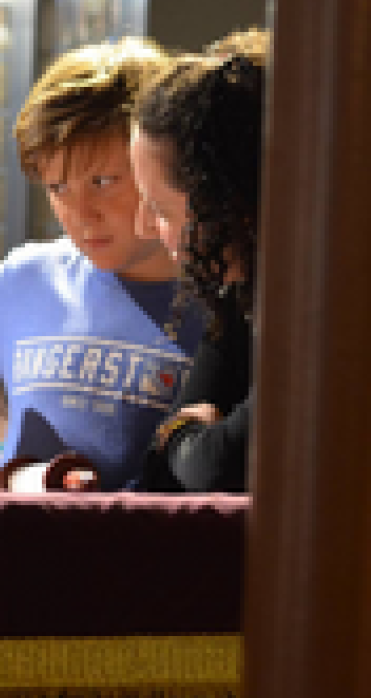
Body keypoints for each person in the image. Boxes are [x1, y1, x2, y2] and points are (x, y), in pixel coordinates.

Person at [0, 37, 206, 490]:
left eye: (103, 181)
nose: (80, 214)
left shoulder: (223, 298)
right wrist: (0, 458)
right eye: (57, 188)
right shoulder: (25, 277)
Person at [131, 31, 268, 492]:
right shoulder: (238, 299)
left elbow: (222, 463)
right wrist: (183, 439)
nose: (144, 227)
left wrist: (182, 436)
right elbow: (165, 471)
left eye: (161, 209)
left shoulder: (335, 310)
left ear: (227, 202)